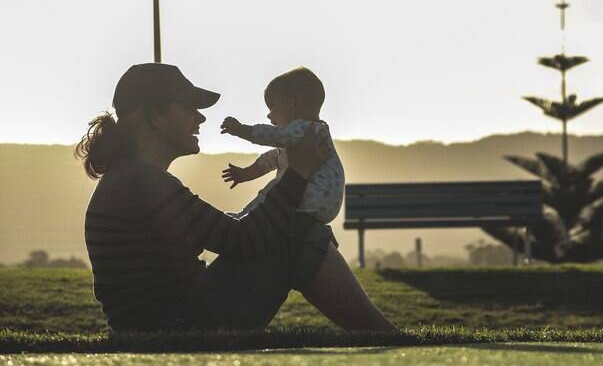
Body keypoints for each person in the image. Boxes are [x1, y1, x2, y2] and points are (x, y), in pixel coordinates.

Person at [75, 62, 395, 332]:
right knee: (299, 233)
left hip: (170, 321)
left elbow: (228, 232)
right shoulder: (140, 183)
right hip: (178, 326)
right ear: (155, 116)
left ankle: (385, 337)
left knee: (297, 230)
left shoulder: (132, 179)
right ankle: (388, 339)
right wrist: (299, 172)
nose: (199, 118)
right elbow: (242, 239)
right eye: (189, 108)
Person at [220, 67, 344, 229]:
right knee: (277, 190)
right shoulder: (310, 135)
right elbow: (274, 159)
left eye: (272, 106)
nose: (269, 115)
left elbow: (275, 136)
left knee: (272, 192)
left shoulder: (307, 128)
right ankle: (244, 217)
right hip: (324, 205)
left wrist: (242, 130)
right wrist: (245, 174)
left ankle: (243, 218)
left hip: (312, 195)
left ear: (294, 102)